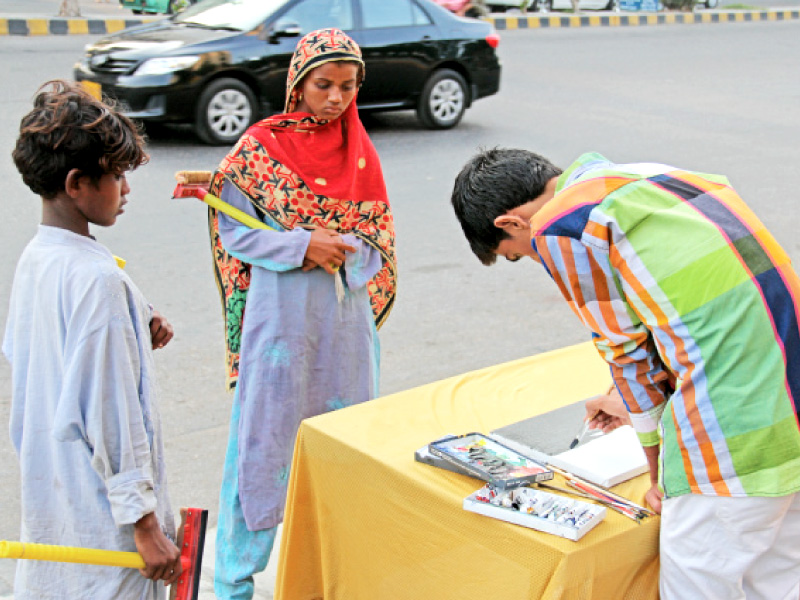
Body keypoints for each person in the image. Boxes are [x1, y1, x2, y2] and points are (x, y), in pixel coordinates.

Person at [450, 148, 800, 600]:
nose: (534, 258)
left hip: (735, 434)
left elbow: (629, 358)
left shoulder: (560, 225)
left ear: (511, 224)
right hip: (789, 406)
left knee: (698, 583)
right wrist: (622, 392)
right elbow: (699, 308)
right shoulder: (653, 174)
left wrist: (660, 479)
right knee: (778, 578)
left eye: (517, 254)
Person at [208, 29, 397, 600]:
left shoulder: (360, 151)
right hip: (280, 324)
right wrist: (301, 246)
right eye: (324, 84)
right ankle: (234, 581)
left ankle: (333, 574)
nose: (336, 98)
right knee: (263, 440)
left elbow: (379, 242)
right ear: (298, 83)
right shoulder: (260, 148)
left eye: (347, 86)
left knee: (345, 441)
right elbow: (232, 228)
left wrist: (343, 247)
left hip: (344, 326)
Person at [4, 80, 181, 599]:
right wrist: (144, 525)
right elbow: (112, 413)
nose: (126, 190)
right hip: (109, 532)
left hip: (57, 509)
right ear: (78, 183)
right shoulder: (98, 282)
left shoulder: (38, 260)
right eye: (118, 176)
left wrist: (133, 321)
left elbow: (42, 357)